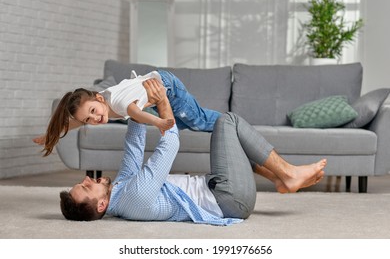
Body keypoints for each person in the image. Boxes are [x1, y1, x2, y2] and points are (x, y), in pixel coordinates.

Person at [59, 79, 326, 225]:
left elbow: (134, 144)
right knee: (227, 122)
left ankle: (279, 179)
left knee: (231, 142)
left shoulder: (121, 191)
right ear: (101, 205)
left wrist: (137, 102)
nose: (85, 180)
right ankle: (288, 173)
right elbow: (170, 144)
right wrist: (162, 101)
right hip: (229, 199)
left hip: (224, 191)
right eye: (85, 188)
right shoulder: (135, 197)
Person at [33, 69, 221, 156]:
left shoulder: (117, 101)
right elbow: (74, 122)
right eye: (88, 119)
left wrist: (158, 123)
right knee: (184, 125)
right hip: (156, 96)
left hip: (168, 88)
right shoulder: (101, 104)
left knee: (198, 121)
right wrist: (50, 135)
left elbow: (135, 113)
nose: (94, 119)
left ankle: (228, 122)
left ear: (99, 98)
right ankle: (225, 127)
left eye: (93, 111)